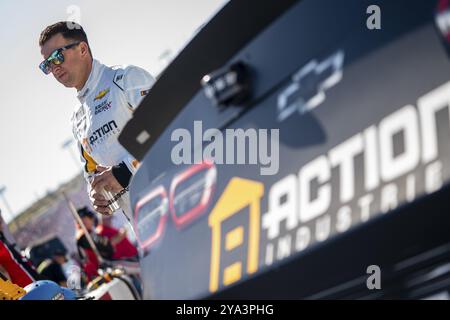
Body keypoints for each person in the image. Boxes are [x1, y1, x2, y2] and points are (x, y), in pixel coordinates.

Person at [38, 21, 155, 221]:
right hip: (143, 226)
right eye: (47, 64)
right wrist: (97, 195)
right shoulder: (77, 119)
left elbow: (170, 127)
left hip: (177, 200)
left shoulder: (126, 79)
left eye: (57, 57)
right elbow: (92, 174)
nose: (54, 68)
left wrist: (126, 171)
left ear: (82, 49)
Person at [0, 209, 40, 287]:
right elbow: (3, 271)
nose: (2, 222)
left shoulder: (3, 238)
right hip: (24, 288)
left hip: (33, 281)